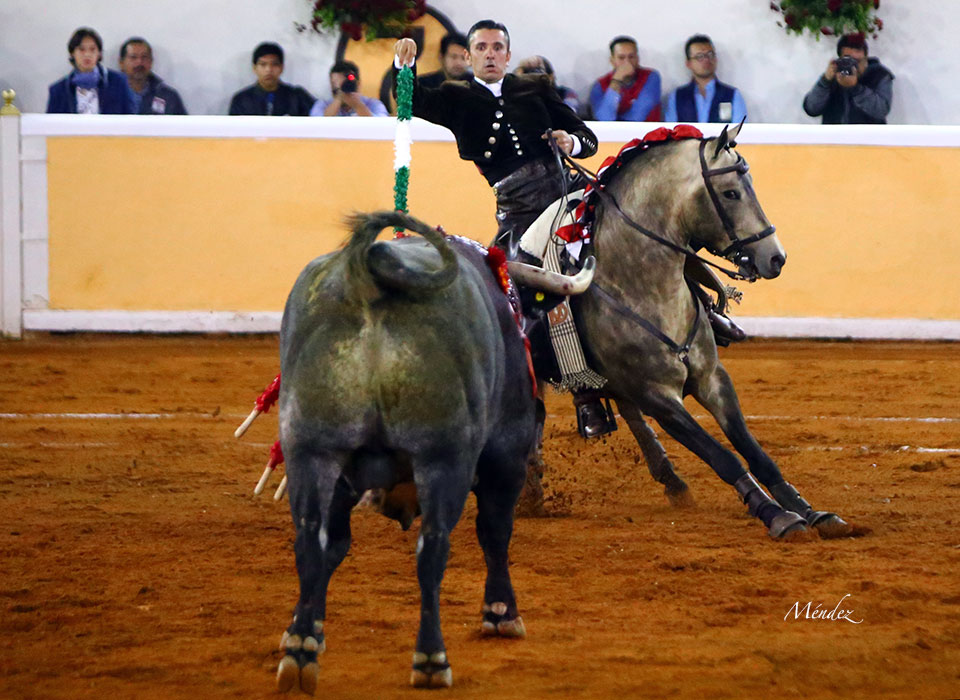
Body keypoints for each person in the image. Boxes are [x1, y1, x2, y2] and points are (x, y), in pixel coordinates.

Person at [394, 20, 613, 439]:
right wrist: (403, 65)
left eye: (498, 47)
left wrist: (571, 142)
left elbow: (588, 138)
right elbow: (411, 100)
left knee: (639, 234)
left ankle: (703, 313)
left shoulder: (535, 88)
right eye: (482, 47)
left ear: (508, 55)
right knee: (523, 296)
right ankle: (583, 394)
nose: (491, 54)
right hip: (519, 213)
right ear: (469, 55)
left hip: (570, 195)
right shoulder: (455, 96)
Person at [803, 33, 893, 124]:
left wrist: (856, 88)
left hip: (868, 136)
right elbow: (811, 109)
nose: (854, 66)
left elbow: (881, 110)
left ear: (866, 57)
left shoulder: (879, 75)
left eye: (857, 61)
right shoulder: (834, 76)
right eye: (848, 60)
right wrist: (825, 81)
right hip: (835, 136)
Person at [47, 27, 134, 114]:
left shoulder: (118, 82)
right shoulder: (58, 90)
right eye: (81, 49)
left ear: (99, 53)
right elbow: (51, 124)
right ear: (72, 53)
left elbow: (130, 118)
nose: (87, 54)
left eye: (92, 49)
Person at [664, 34, 747, 123]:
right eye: (700, 56)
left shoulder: (732, 95)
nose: (706, 60)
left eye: (710, 55)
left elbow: (739, 131)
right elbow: (671, 131)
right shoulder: (677, 97)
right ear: (688, 63)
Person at [228, 42, 315, 116]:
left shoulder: (297, 96)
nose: (269, 70)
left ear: (282, 68)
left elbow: (318, 122)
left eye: (274, 64)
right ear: (254, 68)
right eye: (263, 64)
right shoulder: (241, 99)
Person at [588, 36, 661, 122]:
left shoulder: (651, 77)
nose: (627, 62)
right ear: (612, 60)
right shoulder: (599, 85)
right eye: (621, 58)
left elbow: (638, 116)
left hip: (645, 133)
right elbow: (604, 119)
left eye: (631, 57)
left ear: (637, 59)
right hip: (611, 134)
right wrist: (616, 82)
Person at [118, 37, 187, 115]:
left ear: (151, 62)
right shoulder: (109, 94)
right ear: (121, 63)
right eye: (133, 57)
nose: (139, 62)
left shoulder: (168, 97)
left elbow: (184, 126)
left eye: (144, 57)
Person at [309, 60, 388, 117]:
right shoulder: (322, 105)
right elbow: (317, 124)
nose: (344, 90)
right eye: (335, 87)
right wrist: (338, 99)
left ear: (358, 84)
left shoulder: (373, 104)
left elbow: (380, 125)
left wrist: (358, 105)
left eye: (346, 84)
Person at [515, 55, 584, 118]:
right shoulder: (519, 96)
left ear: (551, 76)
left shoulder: (567, 94)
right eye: (530, 77)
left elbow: (569, 116)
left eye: (539, 76)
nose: (536, 81)